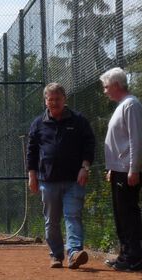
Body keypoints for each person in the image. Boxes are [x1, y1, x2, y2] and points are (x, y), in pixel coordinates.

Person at [27, 83, 96, 269]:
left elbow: (89, 144)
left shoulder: (78, 121)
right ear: (45, 101)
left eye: (58, 99)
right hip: (48, 181)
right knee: (52, 221)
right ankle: (56, 255)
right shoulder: (38, 124)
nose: (54, 102)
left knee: (73, 216)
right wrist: (32, 175)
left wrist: (85, 167)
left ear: (65, 99)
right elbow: (31, 152)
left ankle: (74, 253)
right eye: (50, 99)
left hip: (74, 180)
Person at [100, 67, 142, 272]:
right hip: (119, 169)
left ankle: (135, 258)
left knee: (128, 213)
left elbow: (136, 139)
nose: (105, 91)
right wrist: (113, 167)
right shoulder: (122, 105)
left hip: (128, 170)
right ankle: (125, 254)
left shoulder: (131, 105)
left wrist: (133, 168)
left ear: (117, 85)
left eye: (106, 87)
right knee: (121, 214)